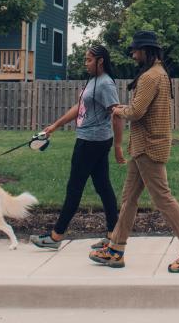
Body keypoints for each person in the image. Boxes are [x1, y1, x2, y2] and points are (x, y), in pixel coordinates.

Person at [88, 30, 179, 273]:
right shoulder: (158, 73)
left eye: (135, 50)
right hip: (144, 145)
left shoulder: (150, 77)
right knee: (129, 198)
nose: (132, 54)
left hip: (149, 146)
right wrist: (125, 108)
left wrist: (118, 110)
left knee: (162, 198)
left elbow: (136, 112)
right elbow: (138, 108)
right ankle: (116, 249)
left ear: (145, 51)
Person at [31, 44, 125, 250]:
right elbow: (80, 107)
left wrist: (118, 146)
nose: (86, 64)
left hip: (91, 142)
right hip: (93, 140)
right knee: (103, 187)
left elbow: (116, 114)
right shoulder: (93, 80)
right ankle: (113, 235)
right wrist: (55, 126)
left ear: (101, 61)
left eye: (89, 60)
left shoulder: (105, 84)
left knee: (74, 188)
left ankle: (56, 236)